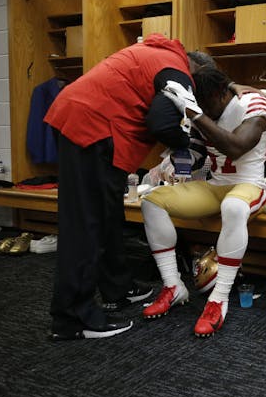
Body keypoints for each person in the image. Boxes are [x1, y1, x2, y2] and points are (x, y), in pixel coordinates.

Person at [45, 34, 216, 341]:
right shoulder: (178, 71)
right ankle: (71, 317)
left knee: (108, 216)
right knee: (87, 225)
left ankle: (117, 288)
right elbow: (162, 123)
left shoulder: (153, 53)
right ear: (197, 72)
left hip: (85, 120)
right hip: (93, 129)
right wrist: (185, 143)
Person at [139, 67, 266, 337]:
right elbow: (198, 149)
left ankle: (218, 299)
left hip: (250, 185)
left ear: (222, 93)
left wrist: (196, 114)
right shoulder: (201, 106)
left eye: (208, 103)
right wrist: (178, 162)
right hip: (216, 184)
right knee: (151, 200)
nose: (205, 109)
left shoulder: (252, 102)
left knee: (232, 207)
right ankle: (173, 285)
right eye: (200, 105)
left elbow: (235, 146)